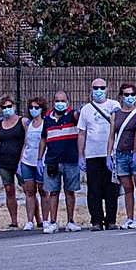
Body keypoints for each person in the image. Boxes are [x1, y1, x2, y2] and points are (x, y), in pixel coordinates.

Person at [79, 77, 121, 231]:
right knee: (94, 189)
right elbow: (82, 133)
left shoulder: (114, 105)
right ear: (91, 90)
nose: (99, 91)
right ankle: (96, 220)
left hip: (110, 154)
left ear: (107, 89)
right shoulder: (86, 109)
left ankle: (111, 220)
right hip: (92, 154)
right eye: (95, 88)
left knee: (112, 189)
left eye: (102, 88)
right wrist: (80, 155)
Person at [39, 91, 81, 233]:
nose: (60, 103)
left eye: (62, 101)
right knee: (53, 192)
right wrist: (39, 159)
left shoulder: (73, 115)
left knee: (70, 191)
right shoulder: (47, 118)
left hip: (71, 160)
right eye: (57, 101)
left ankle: (71, 221)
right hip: (52, 161)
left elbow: (80, 119)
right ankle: (53, 221)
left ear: (68, 102)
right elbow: (43, 139)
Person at [108, 83, 136, 229]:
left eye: (132, 94)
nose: (129, 97)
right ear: (121, 96)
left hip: (135, 154)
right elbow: (112, 135)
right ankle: (129, 217)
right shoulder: (115, 114)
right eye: (126, 94)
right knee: (127, 188)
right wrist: (109, 154)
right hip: (120, 154)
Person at [0, 96, 24, 228]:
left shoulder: (22, 121)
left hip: (20, 162)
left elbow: (27, 141)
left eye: (9, 106)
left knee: (28, 190)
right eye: (4, 107)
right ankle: (14, 221)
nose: (7, 109)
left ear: (14, 106)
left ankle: (36, 218)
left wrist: (22, 160)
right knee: (9, 190)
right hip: (4, 162)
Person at [18, 97, 47, 231]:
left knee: (43, 191)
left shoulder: (45, 123)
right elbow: (25, 143)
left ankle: (45, 220)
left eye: (37, 108)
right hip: (27, 161)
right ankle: (30, 221)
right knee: (29, 192)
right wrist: (20, 161)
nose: (33, 110)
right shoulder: (28, 124)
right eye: (31, 108)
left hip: (41, 161)